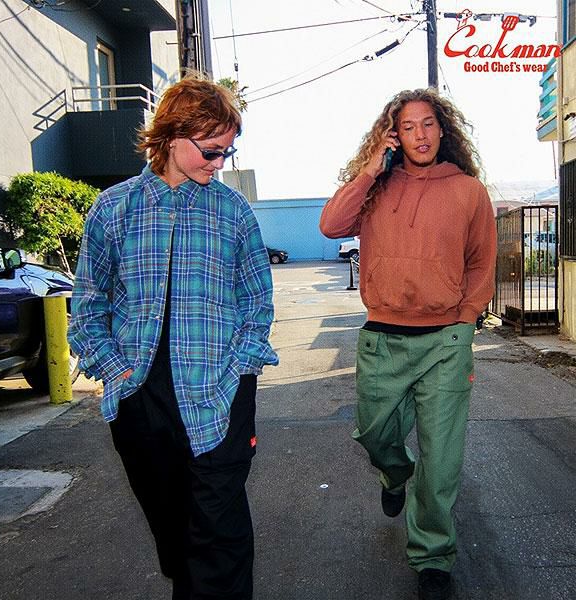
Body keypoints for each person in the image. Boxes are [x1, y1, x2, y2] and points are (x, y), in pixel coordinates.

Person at [68, 76, 278, 600]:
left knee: (221, 536)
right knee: (177, 534)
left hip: (220, 393)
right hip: (141, 397)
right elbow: (88, 305)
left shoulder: (234, 213)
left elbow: (257, 303)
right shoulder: (114, 209)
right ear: (170, 136)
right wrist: (116, 373)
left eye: (227, 152)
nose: (219, 163)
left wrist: (239, 371)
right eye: (211, 151)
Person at [320, 88, 496, 600]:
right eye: (408, 126)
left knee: (440, 460)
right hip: (383, 338)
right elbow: (330, 225)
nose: (420, 135)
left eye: (428, 124)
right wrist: (370, 170)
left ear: (443, 129)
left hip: (445, 341)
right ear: (393, 134)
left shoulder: (468, 191)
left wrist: (465, 320)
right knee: (375, 435)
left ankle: (433, 557)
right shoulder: (376, 187)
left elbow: (481, 262)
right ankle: (394, 475)